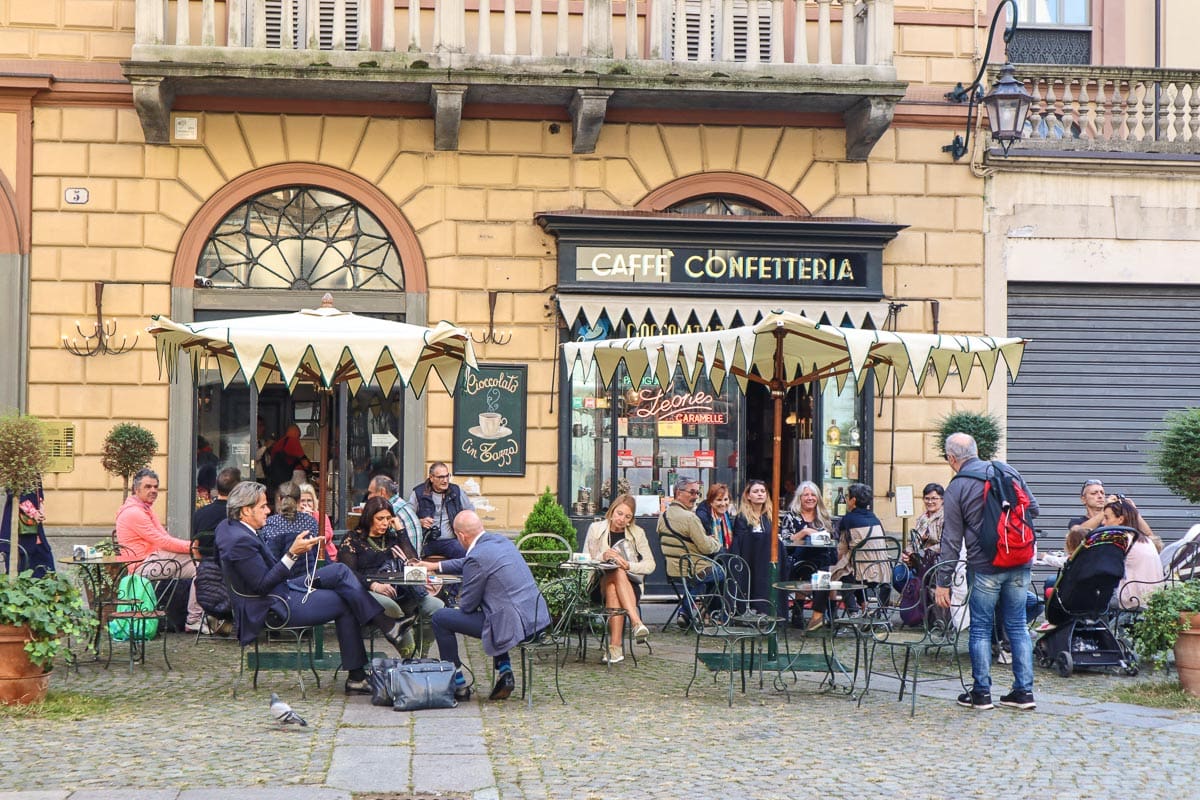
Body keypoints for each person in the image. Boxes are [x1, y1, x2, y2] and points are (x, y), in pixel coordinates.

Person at [214, 481, 409, 695]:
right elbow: (262, 585)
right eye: (262, 506)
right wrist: (292, 554)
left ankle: (387, 628)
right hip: (275, 604)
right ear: (245, 511)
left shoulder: (228, 527)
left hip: (281, 588)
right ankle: (361, 670)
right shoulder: (240, 541)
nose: (268, 510)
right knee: (346, 601)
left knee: (341, 571)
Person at [935, 432, 1040, 712]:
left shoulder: (957, 486)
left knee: (980, 628)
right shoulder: (1007, 470)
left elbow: (951, 540)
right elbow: (1034, 508)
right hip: (1020, 561)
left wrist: (942, 582)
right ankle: (1024, 692)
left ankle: (981, 693)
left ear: (952, 458)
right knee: (1018, 626)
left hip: (984, 566)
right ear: (977, 450)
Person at [423, 511, 549, 701]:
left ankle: (457, 684)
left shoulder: (477, 557)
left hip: (514, 625)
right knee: (494, 611)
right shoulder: (501, 541)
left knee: (441, 618)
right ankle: (505, 669)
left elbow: (467, 605)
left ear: (460, 536)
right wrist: (435, 566)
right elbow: (470, 561)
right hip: (536, 619)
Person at [340, 495, 444, 658]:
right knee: (392, 608)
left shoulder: (392, 538)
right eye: (380, 518)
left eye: (388, 518)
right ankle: (410, 658)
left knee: (436, 606)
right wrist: (374, 585)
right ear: (369, 518)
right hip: (366, 592)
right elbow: (348, 572)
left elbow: (413, 561)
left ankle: (422, 655)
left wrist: (401, 531)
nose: (384, 523)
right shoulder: (352, 539)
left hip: (399, 590)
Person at [115, 468, 207, 633]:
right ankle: (194, 619)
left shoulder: (144, 509)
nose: (153, 491)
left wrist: (192, 549)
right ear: (137, 489)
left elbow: (163, 538)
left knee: (201, 569)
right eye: (148, 487)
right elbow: (163, 541)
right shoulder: (135, 513)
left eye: (156, 487)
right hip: (142, 566)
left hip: (154, 560)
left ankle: (194, 619)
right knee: (199, 562)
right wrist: (193, 547)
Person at [582, 494, 655, 663]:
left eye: (627, 516)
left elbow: (650, 565)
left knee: (616, 579)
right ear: (612, 511)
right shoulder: (596, 528)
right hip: (598, 585)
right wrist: (602, 556)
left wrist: (629, 566)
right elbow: (586, 559)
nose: (622, 519)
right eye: (619, 513)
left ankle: (615, 649)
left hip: (629, 587)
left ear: (631, 519)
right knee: (614, 572)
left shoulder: (638, 533)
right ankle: (636, 622)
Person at [809, 483, 888, 632]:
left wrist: (837, 563)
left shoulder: (848, 520)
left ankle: (818, 617)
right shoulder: (876, 519)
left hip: (860, 573)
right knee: (847, 572)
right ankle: (863, 610)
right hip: (880, 572)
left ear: (853, 500)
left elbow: (841, 550)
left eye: (847, 497)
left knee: (825, 573)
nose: (845, 499)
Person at [657, 478, 722, 627]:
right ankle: (712, 613)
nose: (696, 496)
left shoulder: (663, 516)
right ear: (679, 493)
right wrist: (716, 542)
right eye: (692, 492)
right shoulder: (690, 518)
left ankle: (686, 613)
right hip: (692, 568)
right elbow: (706, 547)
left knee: (701, 578)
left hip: (673, 569)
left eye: (698, 493)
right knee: (721, 572)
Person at [778, 481, 834, 626]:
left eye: (813, 495)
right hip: (798, 559)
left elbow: (831, 539)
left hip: (821, 559)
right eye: (806, 495)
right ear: (799, 498)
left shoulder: (823, 516)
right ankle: (798, 612)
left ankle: (819, 615)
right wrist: (804, 532)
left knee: (824, 574)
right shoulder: (791, 516)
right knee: (804, 572)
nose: (810, 498)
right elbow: (785, 540)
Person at [1103, 496, 1165, 611]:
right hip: (1154, 599)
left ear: (1120, 519)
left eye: (1106, 518)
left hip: (1133, 601)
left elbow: (1101, 565)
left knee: (1094, 596)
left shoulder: (1120, 539)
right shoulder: (1144, 539)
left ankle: (1105, 629)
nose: (1103, 522)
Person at [409, 463, 473, 560]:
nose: (445, 480)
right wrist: (419, 522)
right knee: (410, 554)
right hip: (425, 540)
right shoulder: (419, 492)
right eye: (441, 477)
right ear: (431, 478)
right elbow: (408, 517)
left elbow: (470, 514)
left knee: (465, 553)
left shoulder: (456, 491)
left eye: (447, 476)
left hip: (451, 541)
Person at [257, 481, 320, 578]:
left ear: (279, 499)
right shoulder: (310, 521)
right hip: (307, 576)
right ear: (299, 501)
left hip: (277, 576)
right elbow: (315, 551)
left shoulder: (269, 523)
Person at [731, 479, 774, 615]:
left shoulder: (769, 516)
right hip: (748, 559)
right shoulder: (742, 517)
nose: (760, 494)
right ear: (748, 495)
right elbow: (741, 541)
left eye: (763, 491)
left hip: (765, 558)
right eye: (755, 491)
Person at [1, 485, 55, 577]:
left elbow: (39, 491)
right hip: (18, 526)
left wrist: (40, 508)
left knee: (44, 564)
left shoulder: (36, 473)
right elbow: (15, 494)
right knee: (21, 566)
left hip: (34, 528)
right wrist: (33, 512)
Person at [367, 476, 422, 554]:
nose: (368, 497)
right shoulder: (400, 504)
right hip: (412, 559)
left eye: (370, 493)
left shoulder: (391, 510)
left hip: (405, 560)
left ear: (382, 492)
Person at [903, 482, 945, 568]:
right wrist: (907, 553)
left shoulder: (945, 518)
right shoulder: (923, 518)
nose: (930, 502)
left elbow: (944, 544)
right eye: (926, 498)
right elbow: (915, 541)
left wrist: (921, 553)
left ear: (942, 499)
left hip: (938, 564)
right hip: (921, 562)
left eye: (934, 498)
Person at [297, 482, 337, 562]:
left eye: (309, 500)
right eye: (302, 501)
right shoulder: (294, 517)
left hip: (326, 556)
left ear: (314, 502)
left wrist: (310, 519)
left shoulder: (321, 516)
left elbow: (328, 534)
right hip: (303, 558)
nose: (306, 504)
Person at [695, 483, 734, 552]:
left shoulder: (725, 515)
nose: (723, 504)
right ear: (711, 502)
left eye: (726, 499)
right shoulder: (703, 518)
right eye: (719, 500)